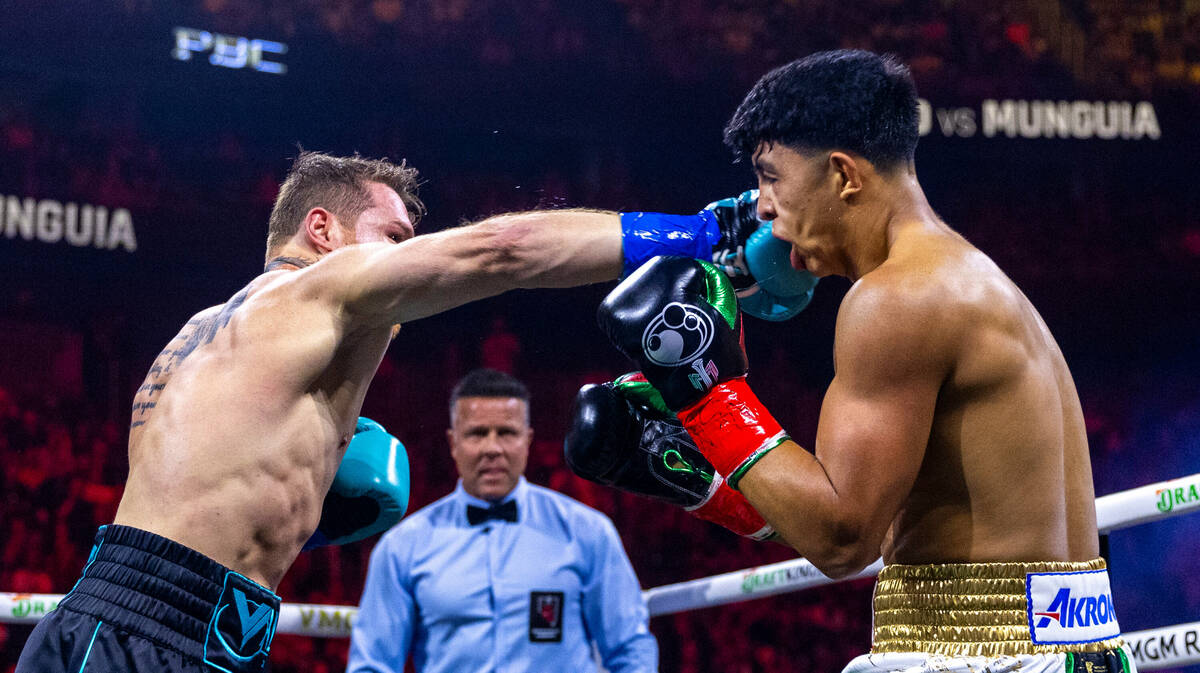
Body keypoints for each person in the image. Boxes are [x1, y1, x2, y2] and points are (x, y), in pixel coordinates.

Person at [14, 149, 791, 673]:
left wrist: (304, 507)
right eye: (393, 237)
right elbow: (503, 251)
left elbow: (184, 493)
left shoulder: (198, 337)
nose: (402, 258)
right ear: (322, 229)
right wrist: (700, 237)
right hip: (141, 636)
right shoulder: (319, 287)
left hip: (164, 625)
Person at [593, 50, 1136, 673]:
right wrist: (699, 482)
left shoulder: (895, 299)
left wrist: (704, 391)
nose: (762, 207)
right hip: (1067, 646)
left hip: (984, 654)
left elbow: (843, 539)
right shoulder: (964, 278)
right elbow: (865, 525)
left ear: (844, 175)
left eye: (772, 177)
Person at [348, 369, 657, 673]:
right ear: (453, 443)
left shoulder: (587, 532)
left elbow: (630, 649)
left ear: (528, 440)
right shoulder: (402, 547)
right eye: (477, 434)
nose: (492, 449)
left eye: (506, 433)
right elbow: (372, 665)